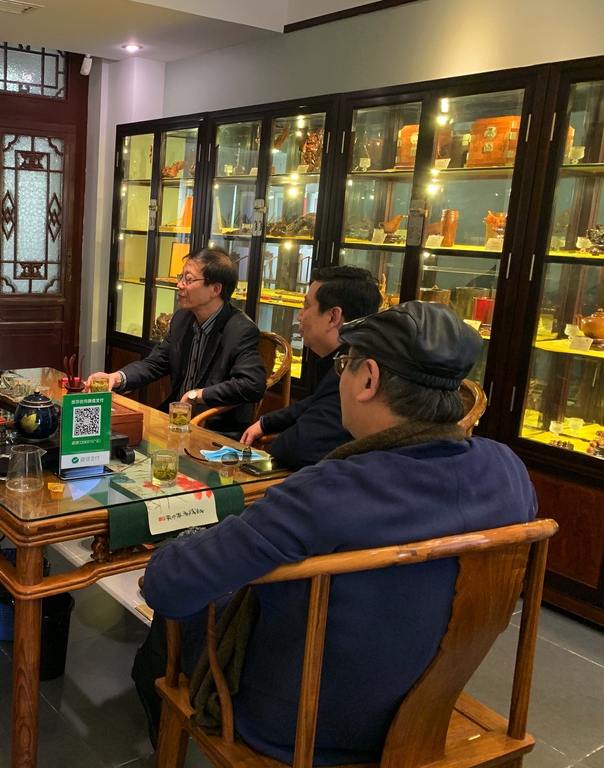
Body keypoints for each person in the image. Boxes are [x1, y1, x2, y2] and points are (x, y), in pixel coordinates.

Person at [132, 301, 537, 763]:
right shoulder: (507, 469)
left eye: (344, 365)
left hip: (301, 725)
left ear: (369, 379)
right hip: (431, 703)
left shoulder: (328, 490)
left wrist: (180, 547)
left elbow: (167, 586)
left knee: (174, 618)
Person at [88, 247, 267, 437]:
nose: (179, 285)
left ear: (215, 289)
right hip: (174, 420)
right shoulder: (182, 318)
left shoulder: (240, 330)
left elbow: (252, 384)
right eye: (180, 277)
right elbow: (155, 363)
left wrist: (197, 395)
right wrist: (117, 377)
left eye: (188, 280)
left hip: (213, 428)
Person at [240, 265, 381, 469]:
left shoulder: (354, 371)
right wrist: (266, 422)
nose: (300, 316)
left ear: (333, 317)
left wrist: (275, 438)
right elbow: (317, 401)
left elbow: (295, 449)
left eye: (306, 306)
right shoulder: (348, 357)